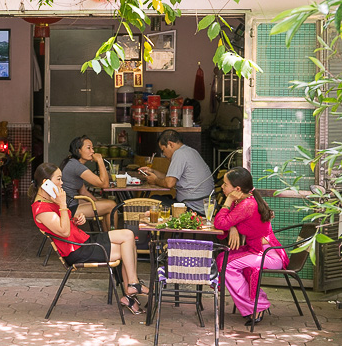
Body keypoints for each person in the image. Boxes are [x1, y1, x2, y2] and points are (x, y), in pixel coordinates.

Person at [30, 162, 149, 314]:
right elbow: (64, 233)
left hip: (83, 242)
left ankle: (131, 287)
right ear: (45, 183)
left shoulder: (49, 201)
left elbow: (64, 225)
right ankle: (131, 290)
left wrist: (76, 220)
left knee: (128, 235)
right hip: (77, 251)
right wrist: (63, 204)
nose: (62, 183)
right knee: (126, 248)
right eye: (59, 179)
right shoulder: (41, 209)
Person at [213, 167, 289, 326]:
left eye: (225, 184)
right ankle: (255, 301)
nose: (222, 187)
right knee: (222, 257)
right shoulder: (244, 201)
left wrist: (227, 202)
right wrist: (232, 227)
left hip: (268, 255)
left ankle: (257, 306)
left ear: (237, 189)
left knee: (225, 264)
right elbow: (228, 222)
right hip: (258, 251)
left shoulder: (246, 204)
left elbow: (220, 223)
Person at [138, 129, 213, 215]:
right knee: (157, 199)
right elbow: (170, 177)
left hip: (193, 208)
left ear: (170, 144)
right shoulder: (189, 151)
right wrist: (153, 171)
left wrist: (155, 180)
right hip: (200, 205)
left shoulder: (179, 154)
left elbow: (169, 183)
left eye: (163, 150)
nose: (164, 154)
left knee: (152, 202)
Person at [60, 136, 117, 229]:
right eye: (88, 148)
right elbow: (104, 184)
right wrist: (100, 160)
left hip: (71, 202)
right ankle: (113, 237)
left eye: (92, 148)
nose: (93, 151)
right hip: (69, 208)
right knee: (112, 205)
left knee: (105, 203)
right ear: (78, 150)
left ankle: (107, 236)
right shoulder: (76, 166)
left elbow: (83, 191)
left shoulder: (72, 162)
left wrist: (97, 203)